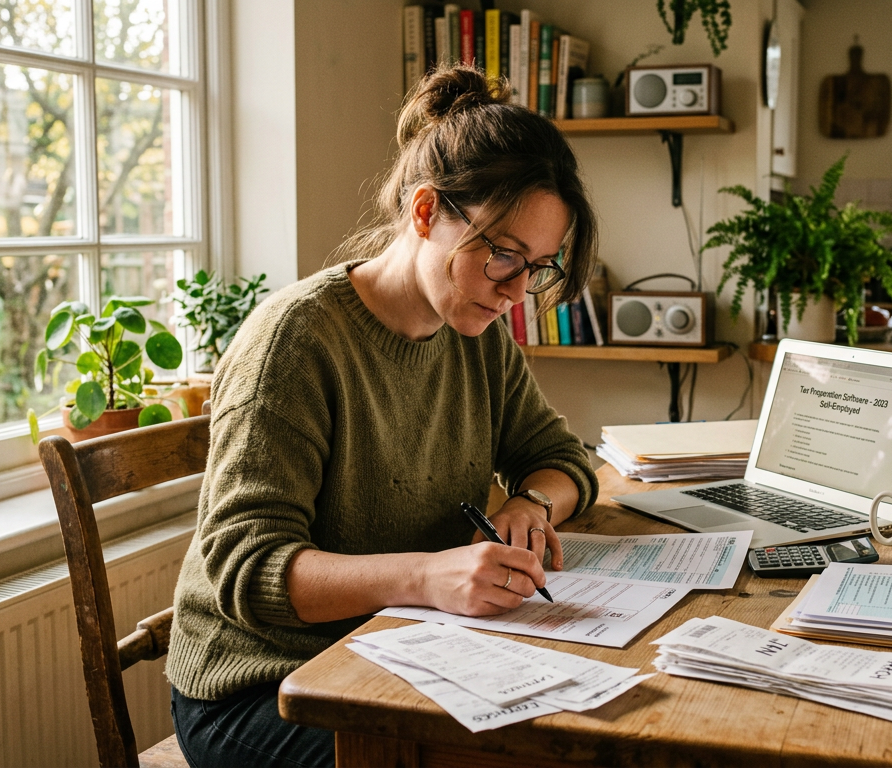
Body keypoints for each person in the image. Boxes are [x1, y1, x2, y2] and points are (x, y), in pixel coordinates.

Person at [165, 65, 600, 768]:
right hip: (260, 688)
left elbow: (564, 458)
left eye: (539, 267)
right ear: (426, 212)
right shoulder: (298, 342)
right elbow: (247, 571)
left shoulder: (478, 334)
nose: (518, 292)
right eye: (503, 256)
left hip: (398, 648)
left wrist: (532, 502)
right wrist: (427, 576)